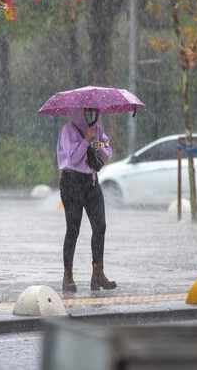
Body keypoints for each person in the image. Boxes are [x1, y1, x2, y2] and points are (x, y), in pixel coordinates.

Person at [57, 107, 117, 292]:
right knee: (73, 229)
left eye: (94, 112)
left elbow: (107, 153)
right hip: (72, 182)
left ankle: (97, 273)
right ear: (78, 113)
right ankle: (68, 275)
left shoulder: (98, 130)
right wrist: (85, 141)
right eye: (87, 112)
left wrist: (99, 145)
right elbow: (73, 158)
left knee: (100, 227)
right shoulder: (68, 131)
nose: (91, 116)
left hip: (91, 182)